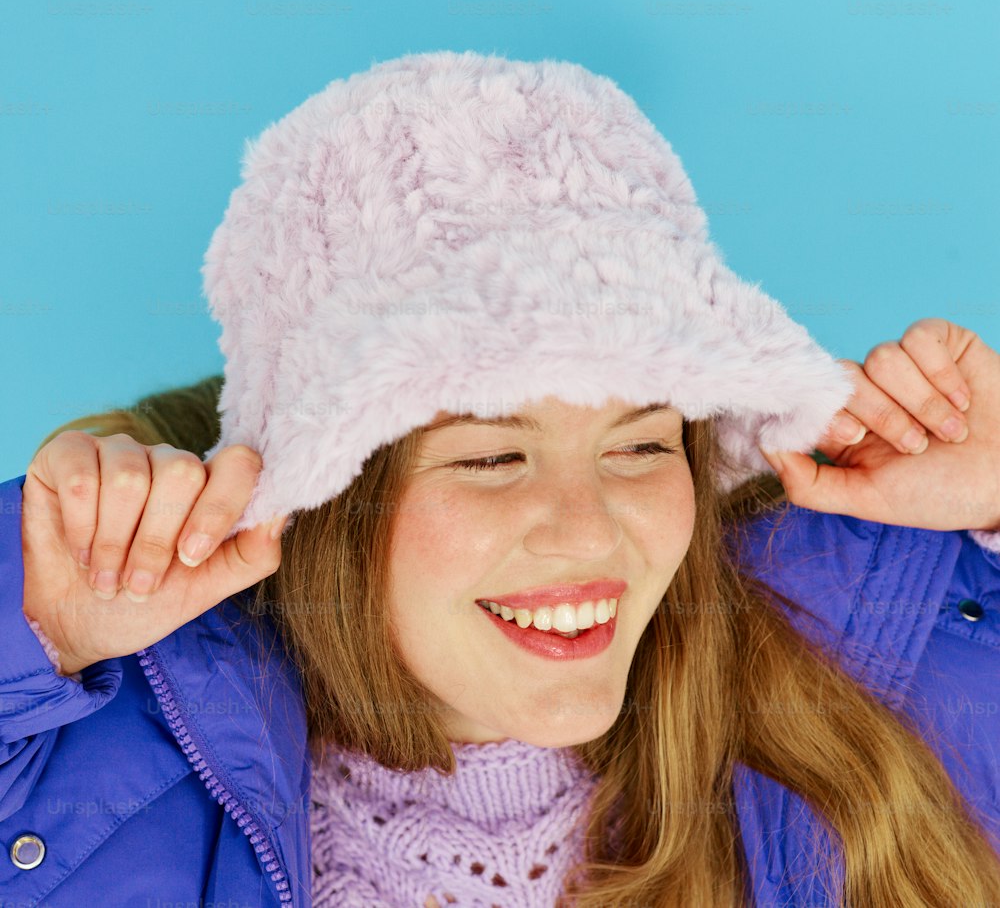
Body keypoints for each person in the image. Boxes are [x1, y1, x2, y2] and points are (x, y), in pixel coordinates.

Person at [3, 49, 1000, 906]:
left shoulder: (883, 668)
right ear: (331, 503)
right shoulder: (98, 761)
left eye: (640, 444)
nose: (587, 529)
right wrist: (35, 612)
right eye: (490, 456)